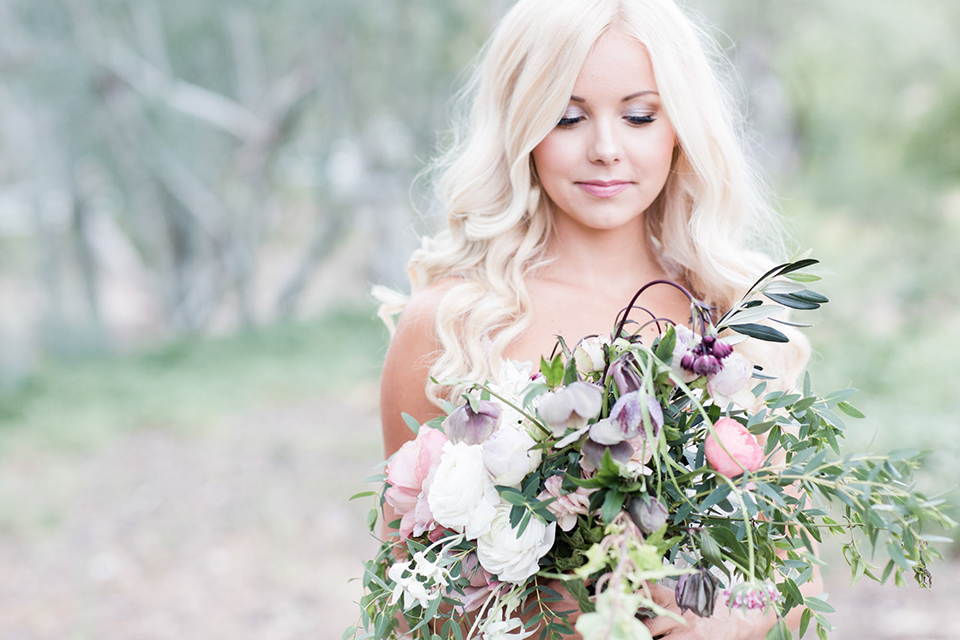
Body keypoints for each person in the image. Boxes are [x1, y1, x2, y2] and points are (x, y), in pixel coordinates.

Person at [376, 0, 820, 637]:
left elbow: (798, 575)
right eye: (567, 117)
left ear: (679, 127)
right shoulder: (451, 327)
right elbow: (404, 596)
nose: (606, 149)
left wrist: (728, 621)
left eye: (639, 115)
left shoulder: (730, 321)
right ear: (522, 126)